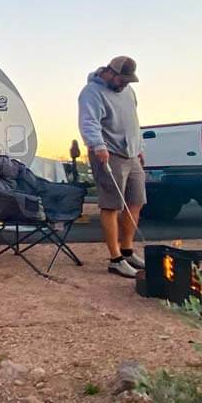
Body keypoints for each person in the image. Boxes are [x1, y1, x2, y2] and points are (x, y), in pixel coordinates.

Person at [77, 55, 146, 278]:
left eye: (128, 80)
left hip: (131, 154)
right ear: (110, 72)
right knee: (111, 205)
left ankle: (127, 251)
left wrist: (139, 147)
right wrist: (97, 146)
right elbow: (89, 122)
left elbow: (133, 120)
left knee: (135, 202)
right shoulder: (91, 92)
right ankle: (115, 259)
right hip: (108, 154)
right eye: (122, 79)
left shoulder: (128, 92)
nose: (125, 83)